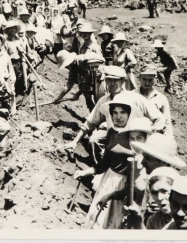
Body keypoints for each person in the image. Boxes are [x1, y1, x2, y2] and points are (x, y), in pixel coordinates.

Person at [63, 66, 165, 162]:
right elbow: (90, 122)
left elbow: (159, 119)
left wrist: (148, 134)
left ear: (123, 81)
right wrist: (75, 141)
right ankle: (99, 169)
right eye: (109, 80)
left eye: (116, 80)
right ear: (105, 81)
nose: (112, 84)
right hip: (112, 135)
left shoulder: (136, 98)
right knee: (94, 140)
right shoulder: (104, 100)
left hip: (132, 137)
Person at [74, 97, 144, 229]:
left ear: (129, 114)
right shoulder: (111, 132)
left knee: (115, 223)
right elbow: (105, 162)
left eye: (123, 112)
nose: (119, 117)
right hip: (108, 181)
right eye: (115, 113)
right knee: (97, 220)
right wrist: (86, 172)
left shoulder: (135, 136)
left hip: (126, 186)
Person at [136, 64, 173, 137]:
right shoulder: (132, 95)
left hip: (154, 137)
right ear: (139, 78)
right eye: (144, 79)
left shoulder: (161, 99)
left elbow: (167, 124)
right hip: (136, 137)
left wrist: (168, 141)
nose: (147, 83)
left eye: (150, 80)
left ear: (155, 80)